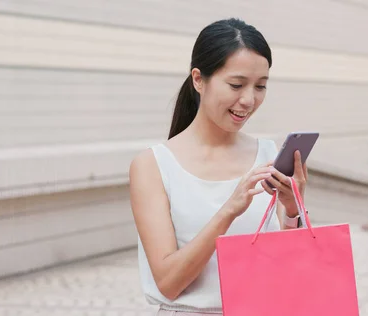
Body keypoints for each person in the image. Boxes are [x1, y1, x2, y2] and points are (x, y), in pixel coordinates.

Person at [129, 18, 308, 315]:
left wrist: (293, 210)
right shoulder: (153, 165)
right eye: (236, 85)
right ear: (199, 79)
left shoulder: (267, 153)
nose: (249, 100)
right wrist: (228, 211)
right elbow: (169, 283)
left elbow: (288, 267)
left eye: (260, 86)